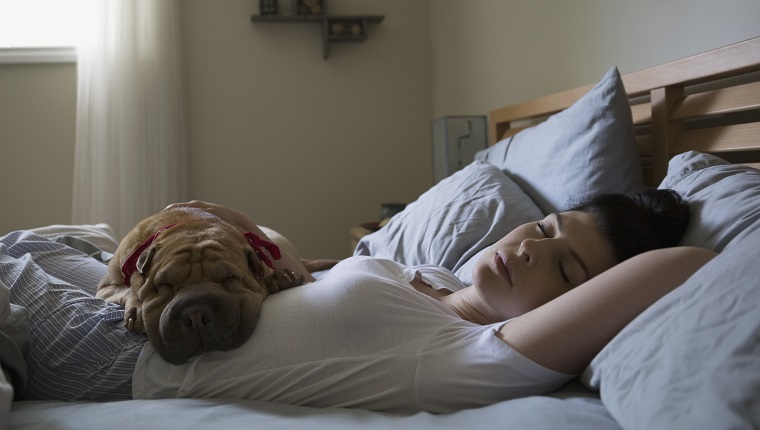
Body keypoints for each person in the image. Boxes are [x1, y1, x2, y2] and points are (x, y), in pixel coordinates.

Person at [2, 189, 715, 413]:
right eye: (546, 227)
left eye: (563, 271)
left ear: (574, 307)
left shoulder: (475, 356)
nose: (530, 248)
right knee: (35, 244)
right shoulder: (433, 276)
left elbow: (684, 262)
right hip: (130, 306)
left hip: (118, 356)